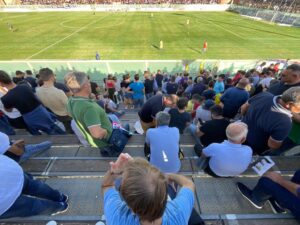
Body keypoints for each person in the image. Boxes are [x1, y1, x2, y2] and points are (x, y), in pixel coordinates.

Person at [102, 154, 201, 225]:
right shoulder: (178, 213)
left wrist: (114, 172)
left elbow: (106, 186)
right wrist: (169, 176)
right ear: (164, 198)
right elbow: (189, 184)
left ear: (131, 208)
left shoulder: (116, 217)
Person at [65, 71, 129, 157]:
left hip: (95, 142)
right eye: (88, 81)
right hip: (110, 141)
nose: (90, 83)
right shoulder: (89, 108)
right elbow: (97, 134)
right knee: (125, 129)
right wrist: (107, 131)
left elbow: (70, 113)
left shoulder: (71, 100)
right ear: (86, 86)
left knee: (117, 122)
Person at [0, 154, 68, 219]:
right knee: (35, 186)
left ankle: (60, 206)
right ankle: (60, 196)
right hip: (8, 170)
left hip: (4, 201)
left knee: (33, 206)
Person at [0, 70, 65, 135]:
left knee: (39, 135)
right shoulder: (25, 86)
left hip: (30, 118)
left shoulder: (6, 98)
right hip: (42, 112)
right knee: (54, 129)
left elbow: (9, 110)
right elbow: (37, 100)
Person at [241, 87, 300, 155]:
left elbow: (244, 108)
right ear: (289, 104)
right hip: (252, 145)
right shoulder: (285, 123)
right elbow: (272, 145)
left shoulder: (264, 94)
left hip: (239, 132)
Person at [36, 68, 73, 134]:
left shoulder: (38, 91)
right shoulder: (59, 92)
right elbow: (69, 106)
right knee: (70, 130)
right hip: (67, 116)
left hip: (55, 115)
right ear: (52, 77)